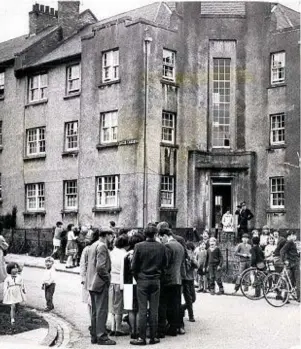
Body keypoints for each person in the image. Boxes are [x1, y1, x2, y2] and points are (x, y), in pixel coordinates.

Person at [130, 226, 167, 345]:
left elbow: (133, 267)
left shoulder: (138, 246)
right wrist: (158, 276)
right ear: (155, 234)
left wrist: (138, 277)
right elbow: (164, 265)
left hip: (142, 280)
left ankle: (141, 338)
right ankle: (153, 336)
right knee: (154, 310)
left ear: (145, 234)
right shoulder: (161, 247)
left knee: (142, 309)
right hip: (155, 280)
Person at [86, 227, 116, 345]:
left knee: (95, 311)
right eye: (112, 236)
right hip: (99, 283)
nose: (112, 239)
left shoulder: (94, 245)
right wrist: (108, 279)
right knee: (101, 311)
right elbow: (100, 267)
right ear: (107, 235)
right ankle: (102, 337)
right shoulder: (102, 246)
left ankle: (94, 335)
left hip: (92, 283)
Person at [158, 227, 185, 338]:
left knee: (163, 304)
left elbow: (165, 263)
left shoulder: (167, 246)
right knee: (175, 304)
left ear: (165, 236)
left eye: (161, 237)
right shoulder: (180, 245)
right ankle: (174, 328)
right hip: (177, 279)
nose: (161, 240)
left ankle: (163, 328)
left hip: (167, 279)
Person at [122, 233, 145, 340]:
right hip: (139, 283)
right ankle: (138, 331)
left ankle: (132, 331)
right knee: (140, 308)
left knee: (130, 309)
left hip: (128, 283)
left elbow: (124, 272)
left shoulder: (126, 255)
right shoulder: (141, 254)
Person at [109, 235, 129, 336]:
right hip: (120, 281)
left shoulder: (111, 253)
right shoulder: (125, 255)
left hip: (111, 280)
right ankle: (118, 328)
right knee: (119, 306)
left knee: (112, 305)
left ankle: (112, 326)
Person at [80, 229, 100, 322]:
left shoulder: (100, 247)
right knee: (90, 300)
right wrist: (83, 277)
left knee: (95, 301)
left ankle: (96, 321)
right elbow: (83, 264)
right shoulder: (87, 249)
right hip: (89, 277)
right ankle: (92, 320)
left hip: (97, 277)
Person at [280, 231, 300, 302]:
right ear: (291, 235)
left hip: (292, 263)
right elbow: (282, 251)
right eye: (293, 235)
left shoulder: (293, 243)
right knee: (298, 280)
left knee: (289, 281)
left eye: (295, 235)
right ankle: (299, 297)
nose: (295, 237)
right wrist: (284, 260)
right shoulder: (290, 242)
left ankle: (285, 298)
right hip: (294, 264)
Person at [181, 242, 197, 322]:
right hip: (185, 280)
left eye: (191, 250)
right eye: (189, 250)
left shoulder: (191, 257)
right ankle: (191, 316)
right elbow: (185, 269)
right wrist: (188, 261)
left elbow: (197, 265)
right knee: (189, 299)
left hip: (191, 279)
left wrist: (192, 260)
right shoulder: (184, 258)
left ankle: (181, 308)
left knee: (193, 298)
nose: (190, 252)